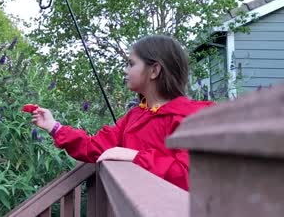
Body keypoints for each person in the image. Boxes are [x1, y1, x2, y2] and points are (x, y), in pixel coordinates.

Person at [31, 35, 214, 191]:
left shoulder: (190, 118)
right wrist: (54, 127)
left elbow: (190, 176)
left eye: (131, 64)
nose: (125, 70)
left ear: (154, 70)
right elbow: (94, 147)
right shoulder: (134, 117)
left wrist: (134, 157)